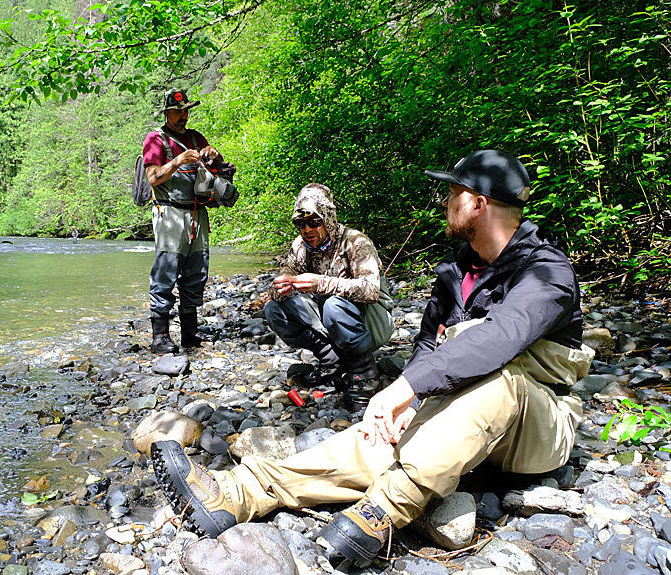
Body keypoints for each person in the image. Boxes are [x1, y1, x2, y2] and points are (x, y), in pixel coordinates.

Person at [150, 149, 594, 567]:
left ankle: (385, 508)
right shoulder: (455, 273)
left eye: (452, 193)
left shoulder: (546, 271)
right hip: (460, 421)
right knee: (377, 432)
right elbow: (426, 347)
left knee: (495, 380)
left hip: (538, 428)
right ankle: (238, 492)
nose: (444, 200)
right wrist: (407, 403)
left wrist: (408, 387)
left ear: (478, 204)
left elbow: (502, 336)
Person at [264, 183, 394, 412]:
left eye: (314, 221)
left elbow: (371, 291)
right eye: (299, 223)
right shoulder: (300, 247)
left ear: (328, 218)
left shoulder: (355, 242)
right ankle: (331, 358)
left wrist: (320, 283)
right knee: (274, 309)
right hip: (334, 320)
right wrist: (281, 286)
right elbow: (279, 282)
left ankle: (364, 373)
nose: (306, 229)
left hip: (373, 322)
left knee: (334, 305)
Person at [142, 88, 221, 354]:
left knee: (196, 270)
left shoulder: (196, 137)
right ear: (167, 113)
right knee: (166, 271)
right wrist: (177, 160)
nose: (183, 116)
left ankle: (189, 332)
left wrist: (215, 158)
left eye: (186, 111)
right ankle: (160, 335)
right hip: (169, 212)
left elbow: (210, 171)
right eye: (177, 111)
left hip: (198, 212)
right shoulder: (155, 140)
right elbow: (153, 178)